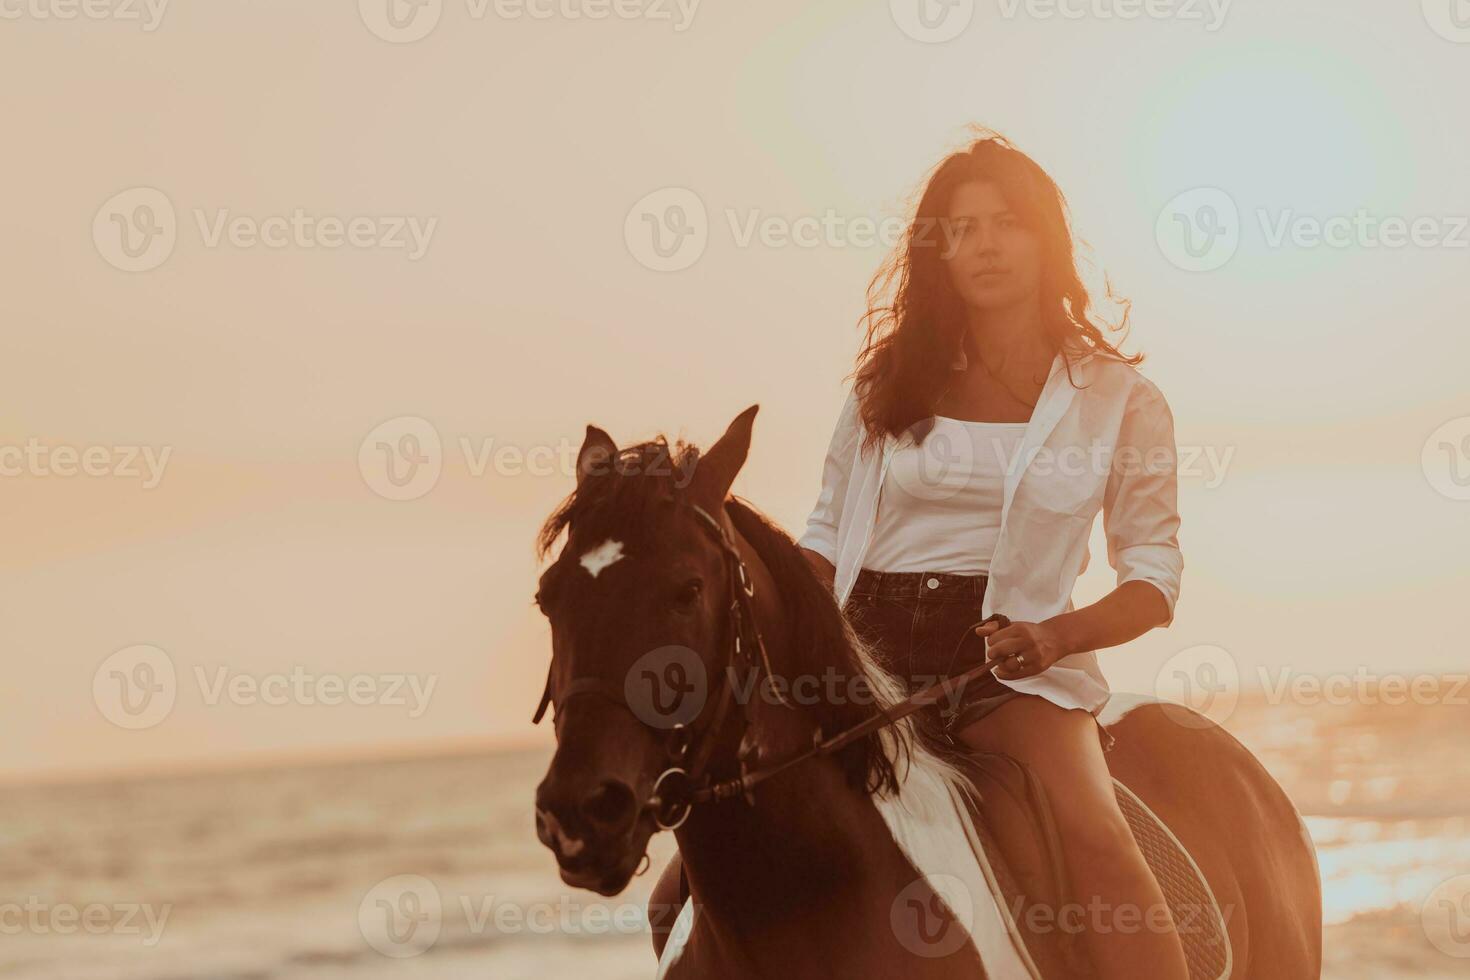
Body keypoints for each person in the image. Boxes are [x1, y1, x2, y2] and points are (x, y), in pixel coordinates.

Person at [796, 132, 1190, 978]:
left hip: (1008, 668)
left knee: (1096, 840)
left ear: (1046, 236)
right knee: (685, 881)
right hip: (859, 661)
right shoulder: (883, 385)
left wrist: (1056, 637)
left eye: (1006, 222)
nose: (984, 245)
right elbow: (824, 537)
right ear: (937, 252)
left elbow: (1153, 579)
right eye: (961, 228)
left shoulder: (1120, 400)